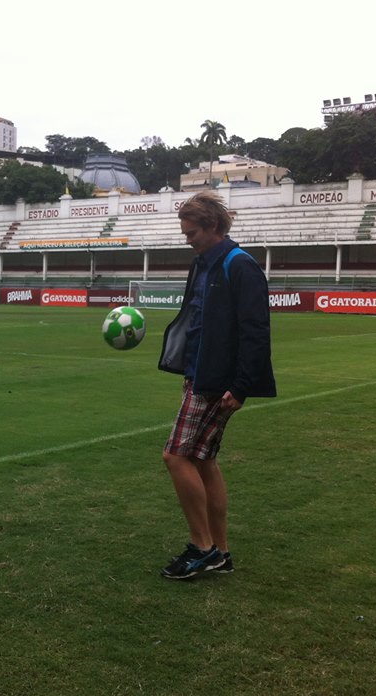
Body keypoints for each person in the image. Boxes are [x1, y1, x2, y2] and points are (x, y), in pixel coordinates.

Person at [157, 191, 276, 580]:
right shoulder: (203, 264)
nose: (187, 239)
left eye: (191, 233)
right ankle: (220, 552)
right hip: (198, 373)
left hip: (215, 382)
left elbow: (256, 332)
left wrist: (240, 387)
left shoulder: (239, 266)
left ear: (212, 227)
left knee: (176, 456)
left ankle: (202, 547)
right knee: (203, 460)